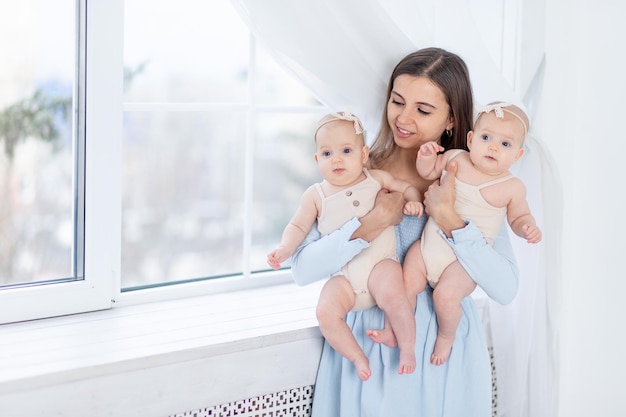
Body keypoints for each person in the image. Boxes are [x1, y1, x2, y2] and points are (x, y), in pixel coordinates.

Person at [290, 48, 520, 416]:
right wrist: (373, 223)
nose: (404, 118)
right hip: (370, 345)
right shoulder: (352, 171)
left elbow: (506, 289)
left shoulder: (475, 184)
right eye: (397, 102)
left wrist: (451, 221)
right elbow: (302, 270)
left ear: (451, 120)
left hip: (445, 357)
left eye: (423, 110)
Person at [267, 112, 424, 381]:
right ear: (317, 159)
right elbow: (297, 226)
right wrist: (285, 248)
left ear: (364, 155)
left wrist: (413, 201)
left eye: (346, 150)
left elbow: (405, 186)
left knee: (396, 297)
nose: (336, 159)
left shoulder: (376, 178)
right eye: (327, 154)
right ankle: (356, 356)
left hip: (379, 265)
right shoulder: (316, 195)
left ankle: (407, 348)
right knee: (325, 312)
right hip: (344, 278)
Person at [394, 102, 541, 367]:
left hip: (462, 265)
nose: (493, 147)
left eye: (505, 145)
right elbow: (427, 172)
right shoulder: (455, 159)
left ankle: (446, 335)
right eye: (486, 138)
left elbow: (519, 217)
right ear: (471, 139)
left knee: (446, 297)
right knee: (406, 282)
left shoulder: (511, 187)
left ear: (517, 156)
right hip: (429, 247)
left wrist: (526, 227)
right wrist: (426, 155)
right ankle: (401, 328)